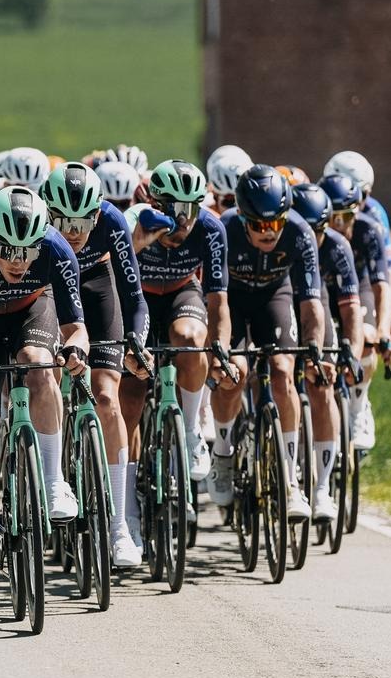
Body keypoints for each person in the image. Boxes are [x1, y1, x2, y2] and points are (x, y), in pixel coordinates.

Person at [0, 186, 89, 569]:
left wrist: (75, 352)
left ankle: (55, 480)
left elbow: (76, 328)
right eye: (9, 250)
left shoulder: (57, 248)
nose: (20, 262)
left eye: (29, 251)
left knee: (37, 364)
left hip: (32, 311)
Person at [41, 161, 148, 567]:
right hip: (49, 292)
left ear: (98, 212)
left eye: (83, 220)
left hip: (98, 288)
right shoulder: (41, 229)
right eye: (63, 221)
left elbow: (133, 295)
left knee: (107, 396)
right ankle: (47, 477)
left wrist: (136, 340)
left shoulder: (113, 222)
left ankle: (120, 525)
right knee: (45, 378)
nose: (73, 231)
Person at [209, 165, 330, 522]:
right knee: (235, 373)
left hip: (275, 297)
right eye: (260, 225)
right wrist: (221, 347)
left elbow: (311, 304)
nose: (268, 233)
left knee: (282, 372)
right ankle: (223, 452)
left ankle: (290, 480)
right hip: (231, 299)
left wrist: (314, 349)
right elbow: (216, 299)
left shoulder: (299, 232)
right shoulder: (225, 229)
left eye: (275, 223)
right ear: (244, 218)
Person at [121, 159, 230, 544]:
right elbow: (111, 281)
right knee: (131, 397)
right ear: (155, 204)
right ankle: (126, 508)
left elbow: (218, 300)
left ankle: (188, 433)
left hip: (183, 293)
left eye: (192, 209)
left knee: (189, 337)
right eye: (173, 210)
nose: (183, 220)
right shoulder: (135, 222)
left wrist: (222, 349)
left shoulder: (211, 228)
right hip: (140, 299)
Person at [294, 181, 366, 525]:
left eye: (318, 231)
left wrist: (349, 351)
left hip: (316, 304)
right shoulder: (283, 239)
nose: (311, 238)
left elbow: (350, 308)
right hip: (280, 302)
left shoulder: (337, 247)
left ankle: (322, 488)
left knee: (322, 381)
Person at [321, 171, 391, 452]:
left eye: (346, 218)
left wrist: (384, 328)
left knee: (366, 335)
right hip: (325, 291)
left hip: (357, 287)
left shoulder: (368, 230)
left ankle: (359, 406)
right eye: (332, 218)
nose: (339, 226)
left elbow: (381, 285)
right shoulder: (313, 231)